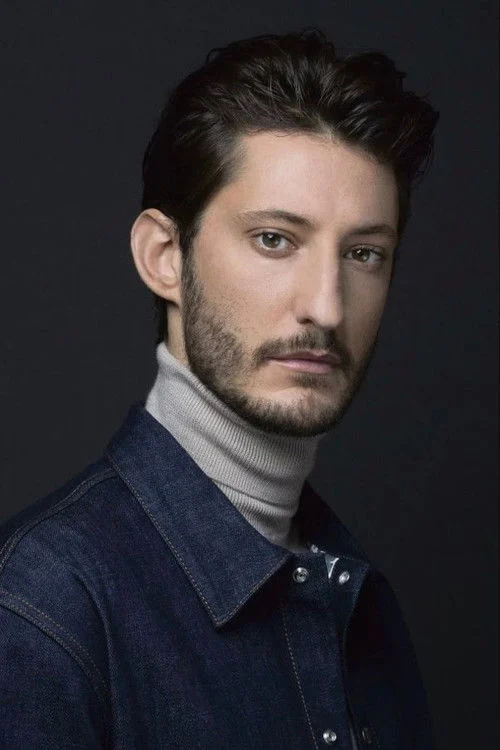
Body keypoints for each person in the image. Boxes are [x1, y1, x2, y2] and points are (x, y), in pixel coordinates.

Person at [0, 30, 439, 749]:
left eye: (365, 253)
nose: (327, 307)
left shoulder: (352, 593)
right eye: (274, 239)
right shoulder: (41, 607)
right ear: (165, 257)